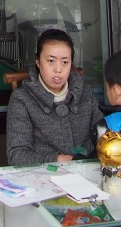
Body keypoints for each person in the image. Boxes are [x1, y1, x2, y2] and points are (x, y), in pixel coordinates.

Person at [6, 28, 104, 165]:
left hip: (87, 172)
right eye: (51, 61)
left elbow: (103, 135)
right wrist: (59, 159)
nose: (58, 69)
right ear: (38, 62)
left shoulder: (85, 92)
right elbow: (17, 156)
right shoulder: (22, 99)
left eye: (65, 62)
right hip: (45, 175)